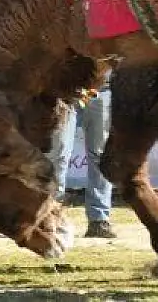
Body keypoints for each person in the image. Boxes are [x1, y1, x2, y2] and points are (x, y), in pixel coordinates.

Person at [47, 84, 117, 239]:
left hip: (101, 90)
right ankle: (51, 215)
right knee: (58, 153)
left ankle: (99, 220)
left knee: (101, 156)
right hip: (67, 90)